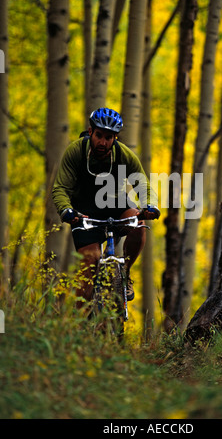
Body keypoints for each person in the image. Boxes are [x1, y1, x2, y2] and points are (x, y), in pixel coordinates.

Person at [52, 107, 160, 305]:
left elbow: (142, 182)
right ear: (90, 131)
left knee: (138, 221)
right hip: (83, 213)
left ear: (115, 138)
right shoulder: (75, 152)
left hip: (114, 203)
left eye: (109, 137)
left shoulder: (123, 154)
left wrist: (150, 205)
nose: (103, 142)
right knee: (90, 266)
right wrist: (65, 210)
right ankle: (79, 325)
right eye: (99, 135)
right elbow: (60, 188)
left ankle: (124, 275)